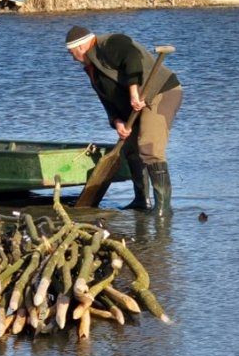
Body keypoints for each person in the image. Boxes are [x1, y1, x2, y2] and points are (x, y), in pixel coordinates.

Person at [66, 26, 183, 215]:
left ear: (80, 46)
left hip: (162, 92)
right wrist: (117, 122)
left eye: (71, 53)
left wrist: (134, 93)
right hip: (135, 105)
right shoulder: (92, 70)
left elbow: (132, 58)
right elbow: (107, 101)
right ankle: (141, 200)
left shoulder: (110, 43)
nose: (72, 58)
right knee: (129, 149)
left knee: (149, 146)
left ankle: (163, 207)